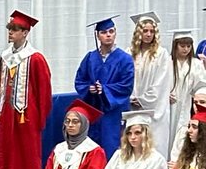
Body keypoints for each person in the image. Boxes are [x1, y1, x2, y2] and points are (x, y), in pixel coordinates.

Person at [0, 10, 52, 169]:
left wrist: (40, 117)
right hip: (8, 115)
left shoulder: (35, 59)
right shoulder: (5, 57)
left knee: (28, 155)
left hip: (27, 116)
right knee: (9, 155)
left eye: (15, 29)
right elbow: (0, 86)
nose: (10, 32)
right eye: (10, 29)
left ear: (26, 33)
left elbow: (44, 91)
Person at [74, 17, 136, 159]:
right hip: (94, 111)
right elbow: (79, 80)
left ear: (115, 34)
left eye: (111, 31)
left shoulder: (125, 59)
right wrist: (89, 89)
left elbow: (127, 86)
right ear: (97, 35)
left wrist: (105, 90)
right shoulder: (90, 58)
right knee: (92, 147)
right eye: (104, 32)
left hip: (113, 112)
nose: (108, 35)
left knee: (112, 146)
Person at [127, 11, 172, 158]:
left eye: (151, 31)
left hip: (154, 109)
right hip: (133, 106)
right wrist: (132, 97)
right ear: (138, 32)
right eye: (145, 30)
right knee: (135, 146)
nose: (148, 34)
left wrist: (143, 100)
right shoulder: (129, 53)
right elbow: (126, 79)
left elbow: (161, 84)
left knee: (154, 146)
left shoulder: (161, 54)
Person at [169, 31, 206, 149]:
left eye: (188, 46)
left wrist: (198, 98)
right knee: (167, 133)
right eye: (182, 46)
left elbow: (201, 85)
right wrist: (164, 94)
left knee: (182, 131)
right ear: (175, 45)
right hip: (168, 105)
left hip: (185, 104)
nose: (186, 49)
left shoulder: (195, 64)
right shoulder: (167, 62)